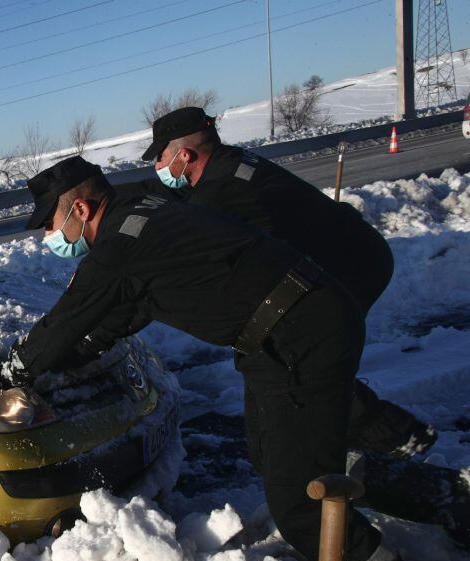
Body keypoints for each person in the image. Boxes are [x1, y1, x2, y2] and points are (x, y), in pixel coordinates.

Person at [0, 156, 460, 561]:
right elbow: (115, 317)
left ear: (79, 208)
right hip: (283, 333)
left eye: (51, 225)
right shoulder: (145, 213)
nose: (50, 238)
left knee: (300, 508)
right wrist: (67, 359)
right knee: (273, 455)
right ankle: (439, 497)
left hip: (299, 334)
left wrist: (7, 371)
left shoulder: (120, 248)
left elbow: (66, 321)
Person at [141, 107, 436, 460]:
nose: (157, 167)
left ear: (184, 155)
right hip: (354, 253)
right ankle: (352, 437)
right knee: (301, 360)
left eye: (160, 157)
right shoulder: (228, 163)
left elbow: (192, 248)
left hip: (349, 267)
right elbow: (187, 198)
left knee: (298, 360)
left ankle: (388, 437)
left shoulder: (221, 189)